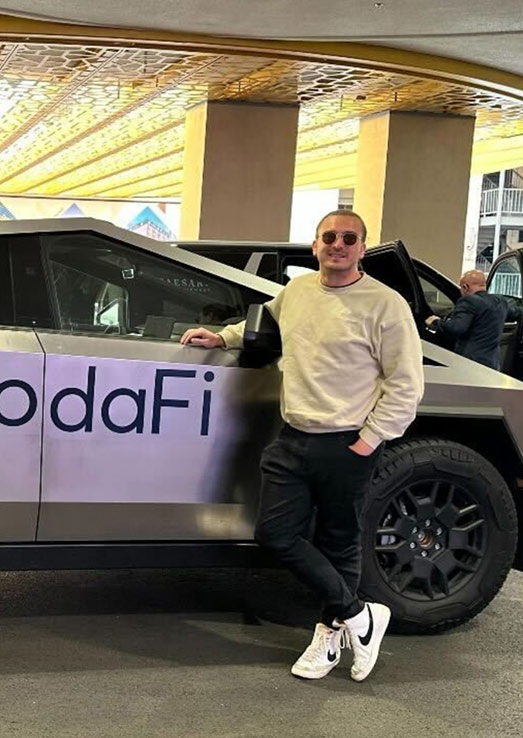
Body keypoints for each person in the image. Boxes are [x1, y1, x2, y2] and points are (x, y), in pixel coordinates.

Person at [181, 209, 423, 682]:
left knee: (339, 543)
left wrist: (369, 440)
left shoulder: (385, 304)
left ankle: (329, 639)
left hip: (347, 442)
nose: (338, 244)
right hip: (292, 439)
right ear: (315, 246)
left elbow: (406, 384)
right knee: (275, 534)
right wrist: (223, 336)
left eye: (348, 238)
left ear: (362, 248)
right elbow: (264, 325)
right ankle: (360, 616)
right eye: (328, 237)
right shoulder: (295, 292)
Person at [425, 269, 523, 370]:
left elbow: (457, 328)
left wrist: (435, 322)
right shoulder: (500, 302)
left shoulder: (468, 301)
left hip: (469, 364)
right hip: (492, 364)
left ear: (465, 287)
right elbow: (515, 312)